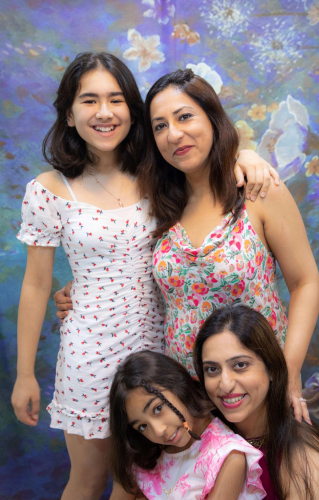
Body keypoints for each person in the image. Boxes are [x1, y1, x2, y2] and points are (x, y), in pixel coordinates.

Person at [11, 52, 277, 500]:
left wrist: (246, 155)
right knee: (91, 477)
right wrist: (24, 374)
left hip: (162, 348)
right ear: (69, 114)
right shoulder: (49, 190)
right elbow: (36, 284)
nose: (104, 112)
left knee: (147, 482)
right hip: (90, 354)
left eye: (116, 99)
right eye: (89, 100)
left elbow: (211, 154)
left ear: (132, 111)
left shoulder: (160, 173)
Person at [137, 69, 319, 423]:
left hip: (258, 390)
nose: (174, 134)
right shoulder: (159, 207)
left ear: (213, 117)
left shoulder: (258, 190)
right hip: (188, 401)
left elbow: (305, 283)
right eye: (159, 126)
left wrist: (290, 374)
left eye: (185, 116)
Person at [193, 305, 319, 500]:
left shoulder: (304, 457)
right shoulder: (197, 438)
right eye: (212, 369)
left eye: (240, 365)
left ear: (271, 368)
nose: (225, 385)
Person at [109, 350, 266, 500]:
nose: (158, 430)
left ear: (177, 384)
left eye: (157, 408)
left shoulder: (227, 456)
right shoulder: (146, 451)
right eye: (142, 426)